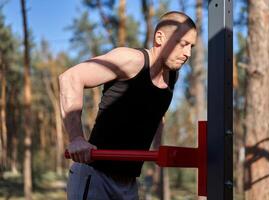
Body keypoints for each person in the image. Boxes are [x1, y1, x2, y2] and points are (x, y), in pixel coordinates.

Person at [59, 11, 197, 200]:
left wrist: (157, 149)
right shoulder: (131, 60)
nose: (188, 53)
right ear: (159, 37)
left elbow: (157, 113)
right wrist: (76, 138)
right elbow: (71, 78)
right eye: (183, 44)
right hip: (96, 175)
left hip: (129, 183)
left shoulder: (171, 76)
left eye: (191, 46)